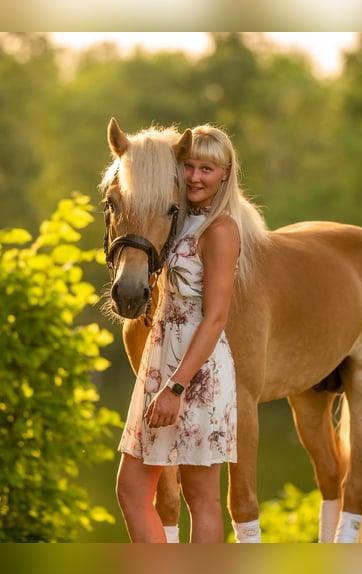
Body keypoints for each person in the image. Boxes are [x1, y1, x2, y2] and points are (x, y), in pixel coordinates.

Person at [116, 124, 260, 543]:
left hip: (196, 375)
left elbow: (215, 318)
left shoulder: (220, 230)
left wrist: (175, 388)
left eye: (207, 169)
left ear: (226, 174)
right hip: (161, 362)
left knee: (202, 500)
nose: (195, 177)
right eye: (189, 166)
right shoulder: (180, 222)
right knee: (131, 491)